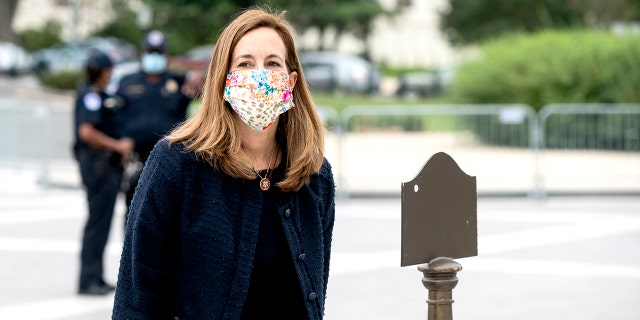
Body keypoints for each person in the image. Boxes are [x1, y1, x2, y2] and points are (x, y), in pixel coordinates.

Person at [112, 7, 336, 320]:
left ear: (292, 80)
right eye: (245, 63)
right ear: (224, 79)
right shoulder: (176, 164)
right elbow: (137, 298)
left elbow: (314, 295)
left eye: (273, 63)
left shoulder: (315, 176)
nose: (259, 74)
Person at [115, 29, 202, 226]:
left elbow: (205, 89)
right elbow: (114, 115)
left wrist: (200, 77)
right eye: (151, 51)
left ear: (166, 55)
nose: (154, 56)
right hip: (135, 161)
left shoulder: (179, 82)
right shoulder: (126, 82)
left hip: (170, 161)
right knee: (133, 214)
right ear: (142, 53)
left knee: (168, 215)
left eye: (159, 52)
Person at [73, 49, 133, 295]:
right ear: (103, 71)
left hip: (104, 165)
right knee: (97, 223)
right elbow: (86, 132)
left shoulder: (97, 94)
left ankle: (95, 276)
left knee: (101, 221)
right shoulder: (91, 96)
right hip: (98, 165)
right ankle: (89, 280)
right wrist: (117, 145)